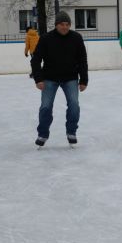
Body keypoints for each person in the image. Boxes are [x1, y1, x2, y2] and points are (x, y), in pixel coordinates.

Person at [31, 11, 88, 147]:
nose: (65, 27)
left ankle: (71, 132)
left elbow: (82, 60)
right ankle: (43, 134)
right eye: (62, 24)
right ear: (56, 25)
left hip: (70, 78)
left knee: (74, 105)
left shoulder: (76, 38)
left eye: (67, 24)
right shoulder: (46, 38)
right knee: (45, 107)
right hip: (50, 78)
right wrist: (38, 79)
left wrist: (84, 80)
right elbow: (36, 60)